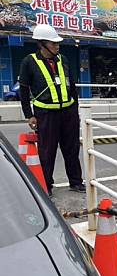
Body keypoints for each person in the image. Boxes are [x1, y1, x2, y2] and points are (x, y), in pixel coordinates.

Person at [19, 24, 85, 196]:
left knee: (71, 149)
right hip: (46, 114)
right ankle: (46, 185)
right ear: (42, 44)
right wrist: (29, 115)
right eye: (53, 43)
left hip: (68, 112)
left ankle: (76, 182)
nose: (57, 46)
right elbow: (24, 90)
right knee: (47, 151)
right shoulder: (29, 61)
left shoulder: (63, 60)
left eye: (57, 43)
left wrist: (75, 111)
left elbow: (72, 87)